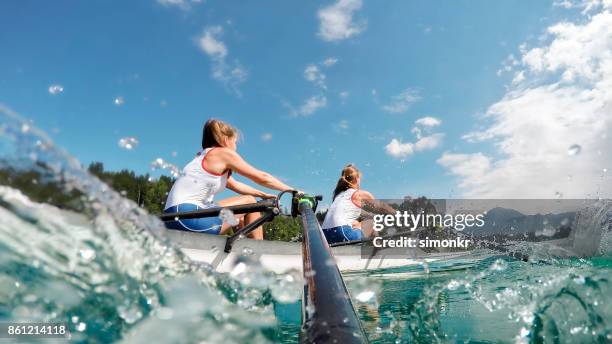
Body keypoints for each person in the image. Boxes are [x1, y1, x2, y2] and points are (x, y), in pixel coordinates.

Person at [163, 119, 295, 239]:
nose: (236, 147)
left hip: (171, 219)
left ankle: (241, 249)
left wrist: (263, 195)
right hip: (189, 219)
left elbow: (236, 185)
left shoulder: (204, 158)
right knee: (250, 202)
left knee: (240, 212)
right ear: (226, 140)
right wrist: (293, 191)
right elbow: (262, 177)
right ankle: (258, 255)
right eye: (235, 142)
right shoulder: (223, 153)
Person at [321, 164, 382, 244]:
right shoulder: (359, 193)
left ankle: (377, 248)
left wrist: (359, 221)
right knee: (372, 222)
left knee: (355, 223)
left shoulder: (338, 195)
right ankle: (379, 245)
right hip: (342, 234)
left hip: (324, 236)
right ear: (356, 179)